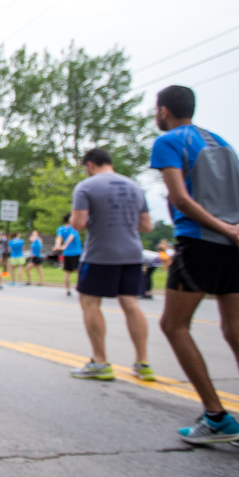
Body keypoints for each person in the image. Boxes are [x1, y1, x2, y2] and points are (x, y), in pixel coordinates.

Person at [149, 86, 239, 455]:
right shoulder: (221, 142)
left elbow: (180, 199)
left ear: (164, 110)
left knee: (173, 326)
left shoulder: (169, 140)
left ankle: (217, 417)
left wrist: (224, 228)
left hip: (200, 244)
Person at [67, 148, 156, 383]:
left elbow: (77, 223)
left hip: (100, 253)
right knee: (130, 303)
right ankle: (143, 362)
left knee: (89, 302)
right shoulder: (135, 187)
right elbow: (146, 225)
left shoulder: (86, 187)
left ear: (90, 165)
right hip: (133, 253)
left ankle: (100, 362)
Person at [55, 213, 83, 296]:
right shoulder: (74, 228)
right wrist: (62, 246)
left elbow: (59, 238)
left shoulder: (60, 229)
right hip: (76, 253)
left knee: (67, 272)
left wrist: (58, 246)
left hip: (67, 253)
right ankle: (79, 289)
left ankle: (68, 290)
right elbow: (70, 237)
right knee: (78, 271)